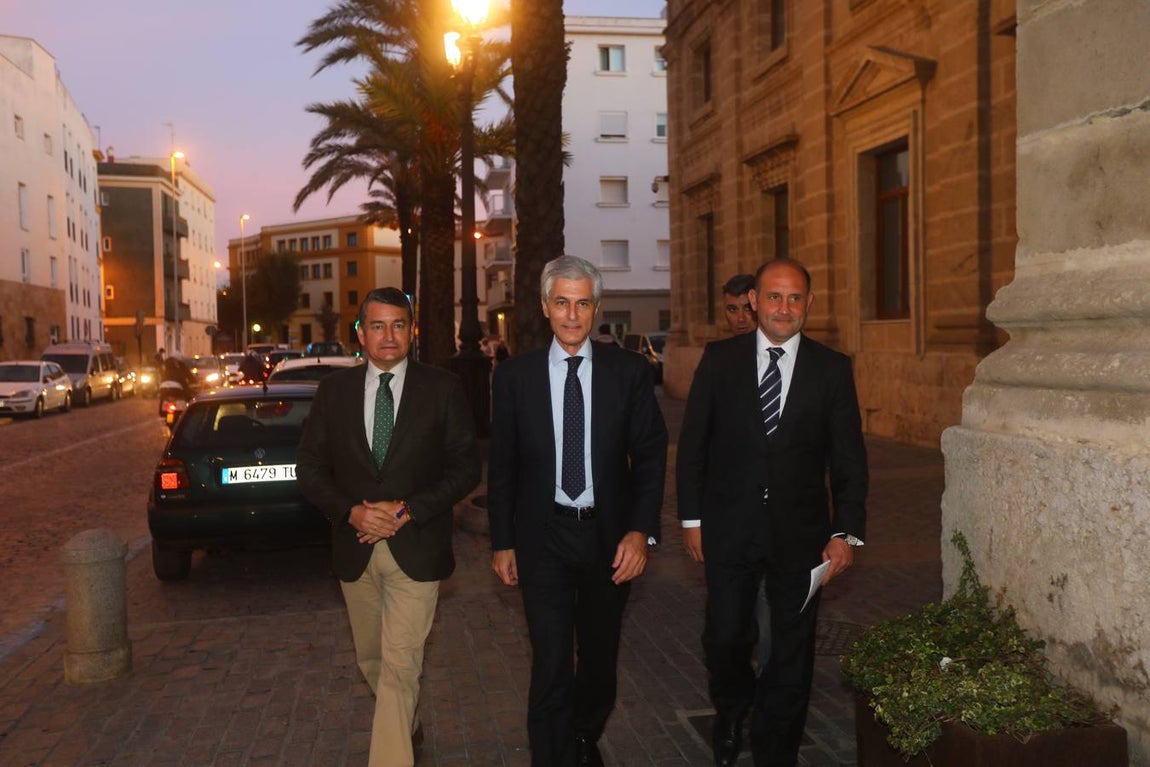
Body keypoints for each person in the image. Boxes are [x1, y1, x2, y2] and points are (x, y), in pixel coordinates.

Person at [677, 258, 868, 767]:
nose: (785, 308)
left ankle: (774, 750)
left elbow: (849, 461)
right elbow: (693, 446)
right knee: (725, 638)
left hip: (801, 538)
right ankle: (732, 710)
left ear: (809, 304)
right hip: (727, 531)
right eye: (775, 297)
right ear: (756, 302)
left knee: (791, 651)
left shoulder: (832, 368)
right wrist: (692, 521)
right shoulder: (719, 360)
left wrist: (847, 535)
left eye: (795, 298)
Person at [487, 255, 668, 766]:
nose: (572, 315)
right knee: (549, 664)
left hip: (608, 541)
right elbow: (502, 465)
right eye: (562, 303)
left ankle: (585, 734)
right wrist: (502, 540)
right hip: (542, 539)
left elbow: (651, 455)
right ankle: (552, 755)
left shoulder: (628, 372)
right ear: (545, 307)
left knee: (598, 663)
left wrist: (640, 532)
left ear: (596, 309)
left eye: (582, 303)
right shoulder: (515, 377)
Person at [297, 287, 481, 767]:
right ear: (360, 333)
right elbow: (310, 468)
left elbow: (466, 468)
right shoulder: (333, 392)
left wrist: (410, 509)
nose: (389, 335)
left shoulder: (442, 388)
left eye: (399, 324)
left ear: (412, 330)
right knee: (374, 662)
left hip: (416, 547)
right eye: (377, 325)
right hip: (354, 549)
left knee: (401, 668)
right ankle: (407, 723)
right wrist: (351, 511)